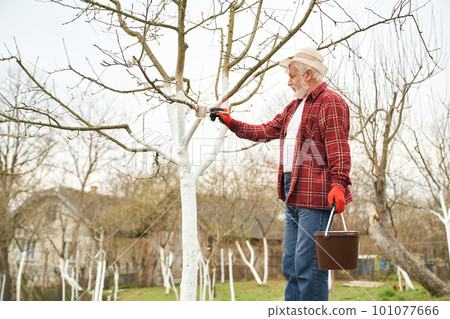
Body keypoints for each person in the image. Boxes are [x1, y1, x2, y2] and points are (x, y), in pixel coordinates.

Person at [209, 47, 352, 301]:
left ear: (308, 74)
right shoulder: (294, 108)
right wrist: (231, 122)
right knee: (292, 266)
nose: (288, 82)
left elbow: (338, 148)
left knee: (310, 267)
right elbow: (264, 130)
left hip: (316, 194)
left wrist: (339, 183)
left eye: (292, 75)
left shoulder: (331, 103)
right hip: (292, 192)